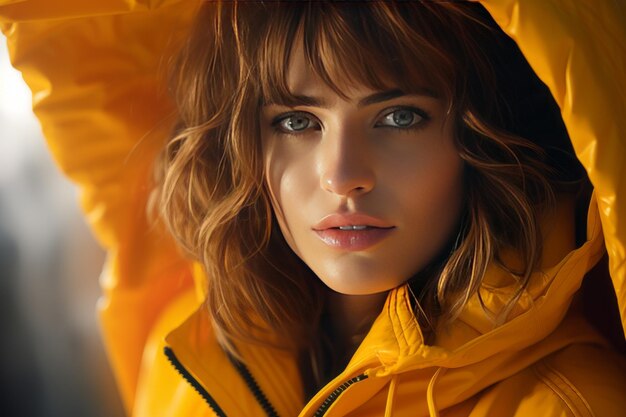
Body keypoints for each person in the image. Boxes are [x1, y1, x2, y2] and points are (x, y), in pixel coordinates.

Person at [1, 1, 625, 416]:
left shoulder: (571, 404)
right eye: (297, 121)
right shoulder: (192, 358)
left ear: (479, 138)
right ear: (242, 143)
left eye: (398, 117)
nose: (342, 176)